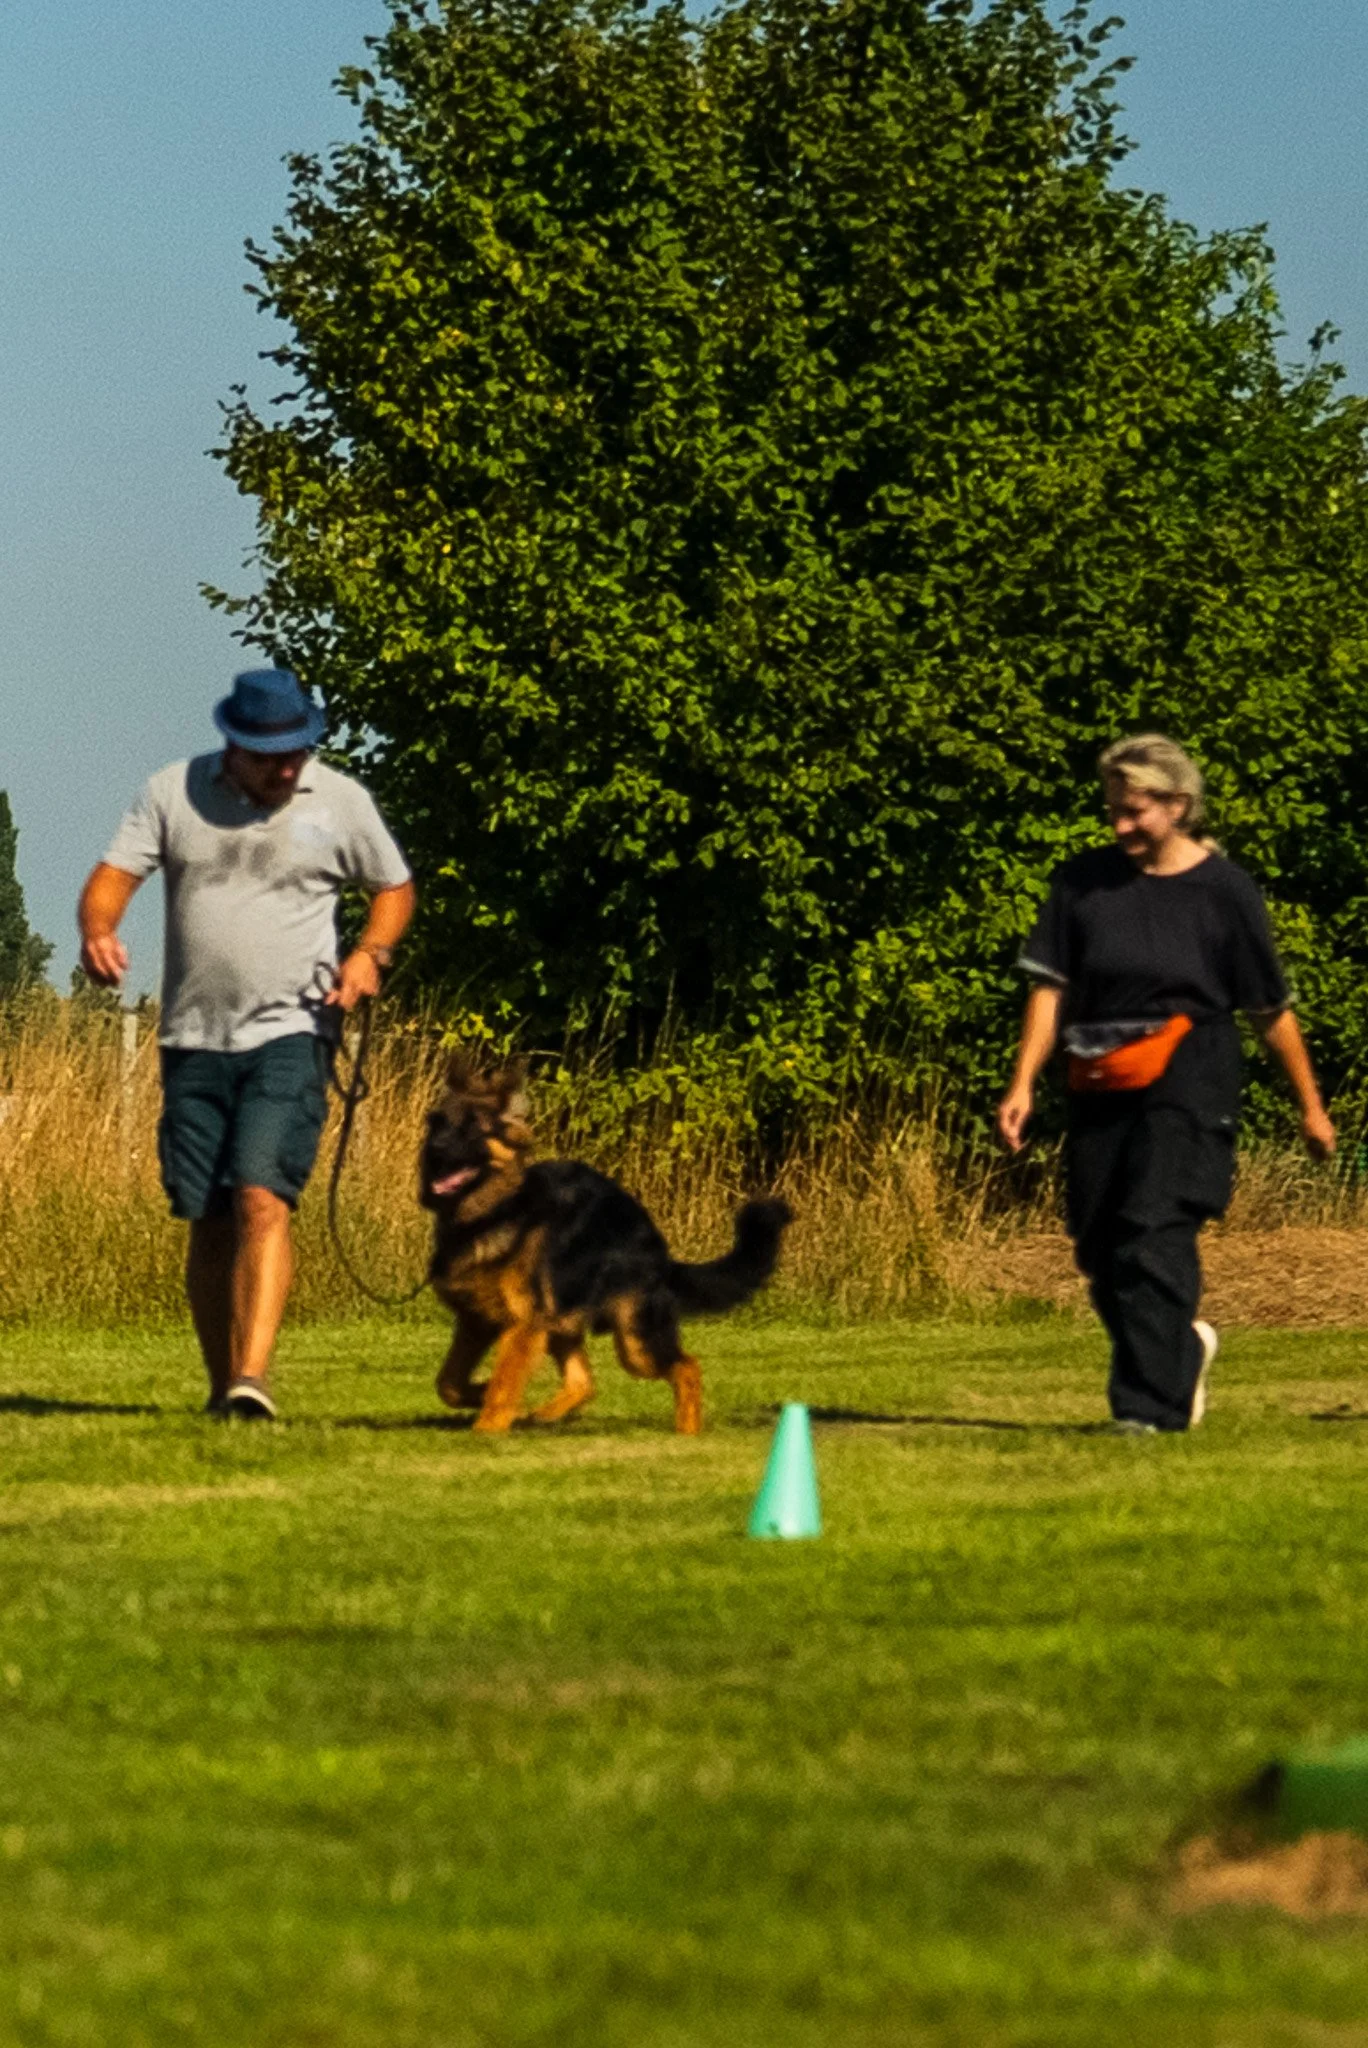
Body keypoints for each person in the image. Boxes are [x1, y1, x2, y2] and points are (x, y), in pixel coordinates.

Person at [78, 668, 416, 1420]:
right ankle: (220, 1383)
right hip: (192, 1037)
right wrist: (97, 932)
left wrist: (370, 955)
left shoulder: (340, 802)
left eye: (296, 752)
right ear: (233, 743)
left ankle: (252, 1380)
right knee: (210, 1212)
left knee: (263, 1195)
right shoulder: (174, 793)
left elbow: (393, 888)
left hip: (292, 1030)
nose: (286, 767)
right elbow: (112, 878)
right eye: (270, 756)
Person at [998, 733, 1334, 1435]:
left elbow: (1269, 1008)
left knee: (1152, 1231)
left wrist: (1310, 1106)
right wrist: (1023, 1083)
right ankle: (1181, 1350)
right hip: (1098, 1072)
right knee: (1099, 1244)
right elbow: (1050, 990)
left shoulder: (1224, 893)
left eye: (1136, 810)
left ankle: (1148, 1411)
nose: (1121, 825)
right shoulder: (1081, 883)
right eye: (1114, 810)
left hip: (1190, 1074)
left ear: (1178, 805)